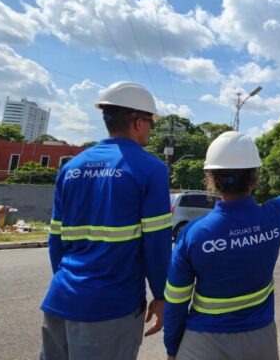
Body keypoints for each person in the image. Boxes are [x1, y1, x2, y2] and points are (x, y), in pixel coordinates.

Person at [40, 81, 173, 360]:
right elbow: (157, 244)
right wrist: (161, 295)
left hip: (61, 300)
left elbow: (56, 241)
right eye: (151, 122)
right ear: (138, 122)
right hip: (111, 308)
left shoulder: (70, 168)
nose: (151, 128)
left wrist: (72, 287)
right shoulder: (151, 169)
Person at [163, 131, 280, 359]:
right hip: (259, 340)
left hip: (203, 342)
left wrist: (172, 350)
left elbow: (176, 302)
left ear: (211, 179)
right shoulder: (275, 216)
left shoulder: (193, 234)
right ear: (254, 178)